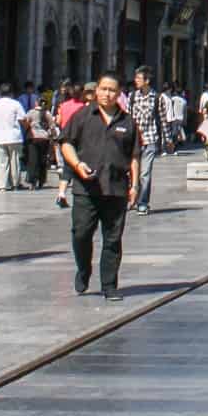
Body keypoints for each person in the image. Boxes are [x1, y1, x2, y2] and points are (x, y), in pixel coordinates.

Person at [58, 74, 141, 302]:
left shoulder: (127, 121)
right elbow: (66, 143)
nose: (107, 94)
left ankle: (109, 285)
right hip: (86, 189)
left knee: (113, 239)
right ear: (96, 91)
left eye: (112, 90)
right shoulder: (83, 116)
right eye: (103, 89)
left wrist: (135, 186)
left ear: (119, 93)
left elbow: (134, 157)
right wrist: (76, 164)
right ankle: (83, 269)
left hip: (116, 189)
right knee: (81, 233)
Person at [127, 68, 165, 214]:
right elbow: (128, 117)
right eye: (135, 78)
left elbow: (162, 120)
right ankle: (132, 199)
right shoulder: (132, 97)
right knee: (132, 172)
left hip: (150, 139)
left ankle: (143, 202)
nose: (136, 80)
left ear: (147, 81)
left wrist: (167, 140)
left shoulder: (157, 98)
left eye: (139, 78)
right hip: (134, 140)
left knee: (145, 173)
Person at [0, 82, 28, 191]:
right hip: (14, 137)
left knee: (1, 162)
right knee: (15, 161)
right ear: (11, 93)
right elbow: (23, 119)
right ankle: (15, 183)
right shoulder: (16, 104)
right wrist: (27, 128)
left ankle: (2, 185)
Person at [55, 81, 89, 208]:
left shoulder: (63, 105)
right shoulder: (83, 107)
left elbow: (59, 121)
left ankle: (61, 193)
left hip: (65, 138)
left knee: (67, 167)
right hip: (79, 139)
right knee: (80, 165)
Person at [24, 91, 56, 191]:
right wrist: (53, 138)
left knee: (33, 160)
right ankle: (41, 180)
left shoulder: (31, 112)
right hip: (44, 139)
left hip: (33, 138)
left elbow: (25, 122)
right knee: (42, 160)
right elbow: (52, 127)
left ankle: (32, 181)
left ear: (36, 103)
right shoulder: (47, 113)